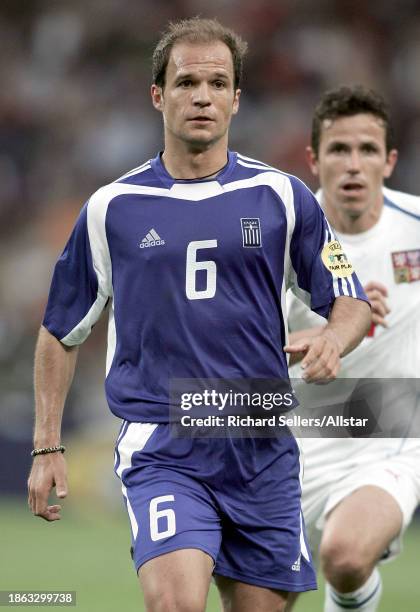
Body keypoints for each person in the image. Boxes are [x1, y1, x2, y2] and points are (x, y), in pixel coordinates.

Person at [27, 20, 370, 612]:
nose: (203, 96)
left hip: (260, 446)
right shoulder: (113, 207)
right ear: (158, 95)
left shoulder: (285, 197)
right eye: (186, 82)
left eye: (218, 83)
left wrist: (335, 339)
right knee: (175, 604)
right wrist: (46, 445)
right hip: (164, 441)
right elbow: (60, 331)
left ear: (237, 99)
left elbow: (349, 300)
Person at [286, 85, 420, 612]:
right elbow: (237, 348)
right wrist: (323, 334)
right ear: (314, 159)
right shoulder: (282, 239)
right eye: (339, 149)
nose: (353, 164)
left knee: (344, 557)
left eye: (367, 150)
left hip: (392, 435)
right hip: (294, 437)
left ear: (388, 161)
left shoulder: (416, 228)